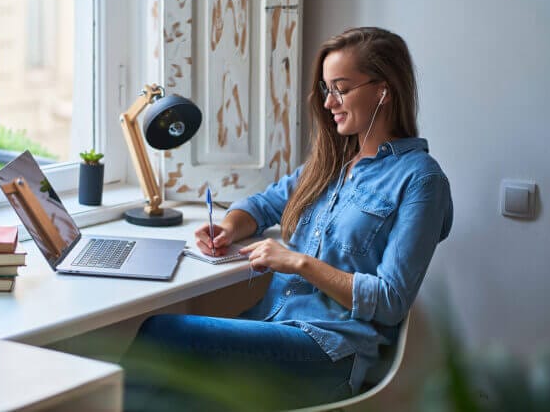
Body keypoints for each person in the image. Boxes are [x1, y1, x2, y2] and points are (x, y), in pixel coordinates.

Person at [122, 26, 453, 411]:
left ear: (383, 89)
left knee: (164, 335)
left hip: (330, 352)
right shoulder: (330, 164)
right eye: (327, 90)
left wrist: (296, 262)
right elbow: (263, 204)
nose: (329, 103)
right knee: (177, 389)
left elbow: (391, 300)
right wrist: (230, 226)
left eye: (341, 89)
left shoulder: (421, 180)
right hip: (272, 326)